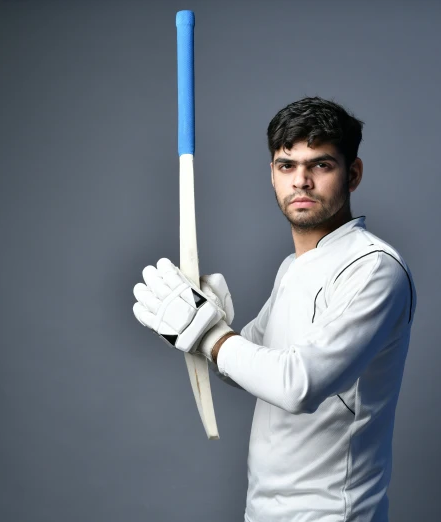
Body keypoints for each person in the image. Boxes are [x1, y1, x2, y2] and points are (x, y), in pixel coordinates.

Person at [133, 97, 416, 522]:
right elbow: (243, 366)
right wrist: (198, 328)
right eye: (287, 166)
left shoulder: (374, 269)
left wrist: (207, 333)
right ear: (272, 174)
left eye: (320, 165)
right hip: (264, 512)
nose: (301, 181)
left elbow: (297, 385)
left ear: (352, 174)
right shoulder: (294, 267)